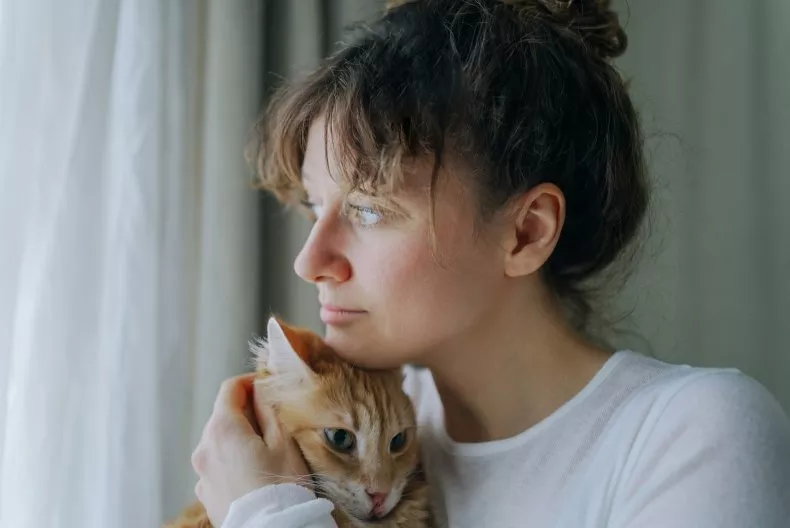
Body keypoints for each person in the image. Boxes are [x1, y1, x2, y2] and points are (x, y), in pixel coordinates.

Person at [189, 0, 790, 526]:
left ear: (526, 232)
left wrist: (266, 513)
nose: (309, 260)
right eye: (316, 205)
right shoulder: (359, 431)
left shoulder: (691, 435)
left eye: (369, 210)